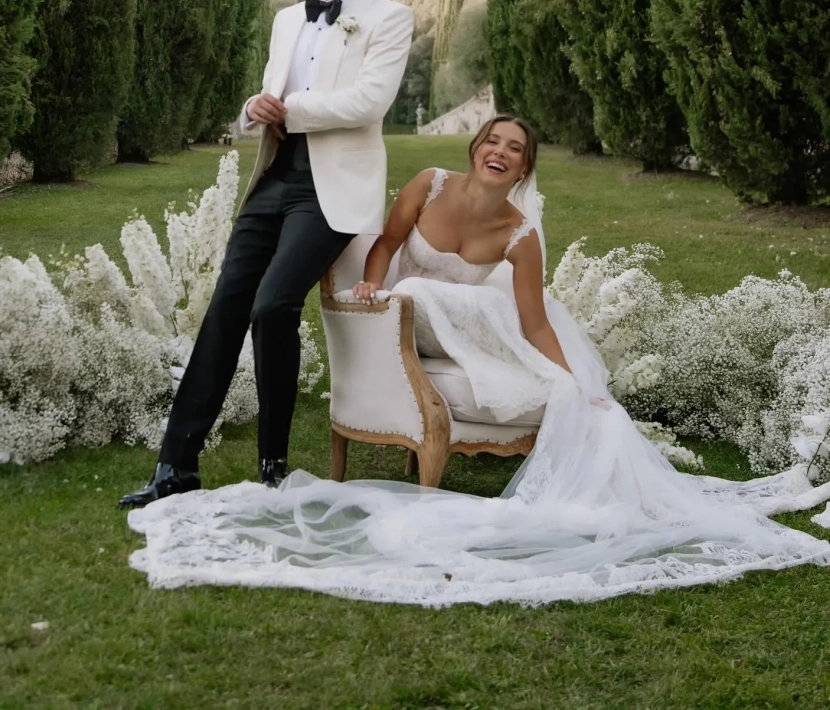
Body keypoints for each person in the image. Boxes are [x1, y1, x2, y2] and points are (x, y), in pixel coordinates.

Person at [126, 117, 830, 607]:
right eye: (493, 140)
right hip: (410, 318)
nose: (500, 152)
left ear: (523, 168)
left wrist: (575, 380)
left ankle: (569, 402)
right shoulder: (429, 184)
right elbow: (386, 243)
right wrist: (372, 284)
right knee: (416, 289)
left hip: (477, 331)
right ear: (475, 148)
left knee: (535, 365)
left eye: (514, 149)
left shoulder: (521, 235)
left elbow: (533, 321)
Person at [119, 0, 414, 507]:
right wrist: (255, 107)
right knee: (226, 309)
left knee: (273, 305)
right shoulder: (287, 20)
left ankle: (273, 466)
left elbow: (370, 102)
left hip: (331, 192)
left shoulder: (389, 18)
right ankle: (175, 466)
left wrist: (290, 109)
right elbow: (271, 92)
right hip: (275, 176)